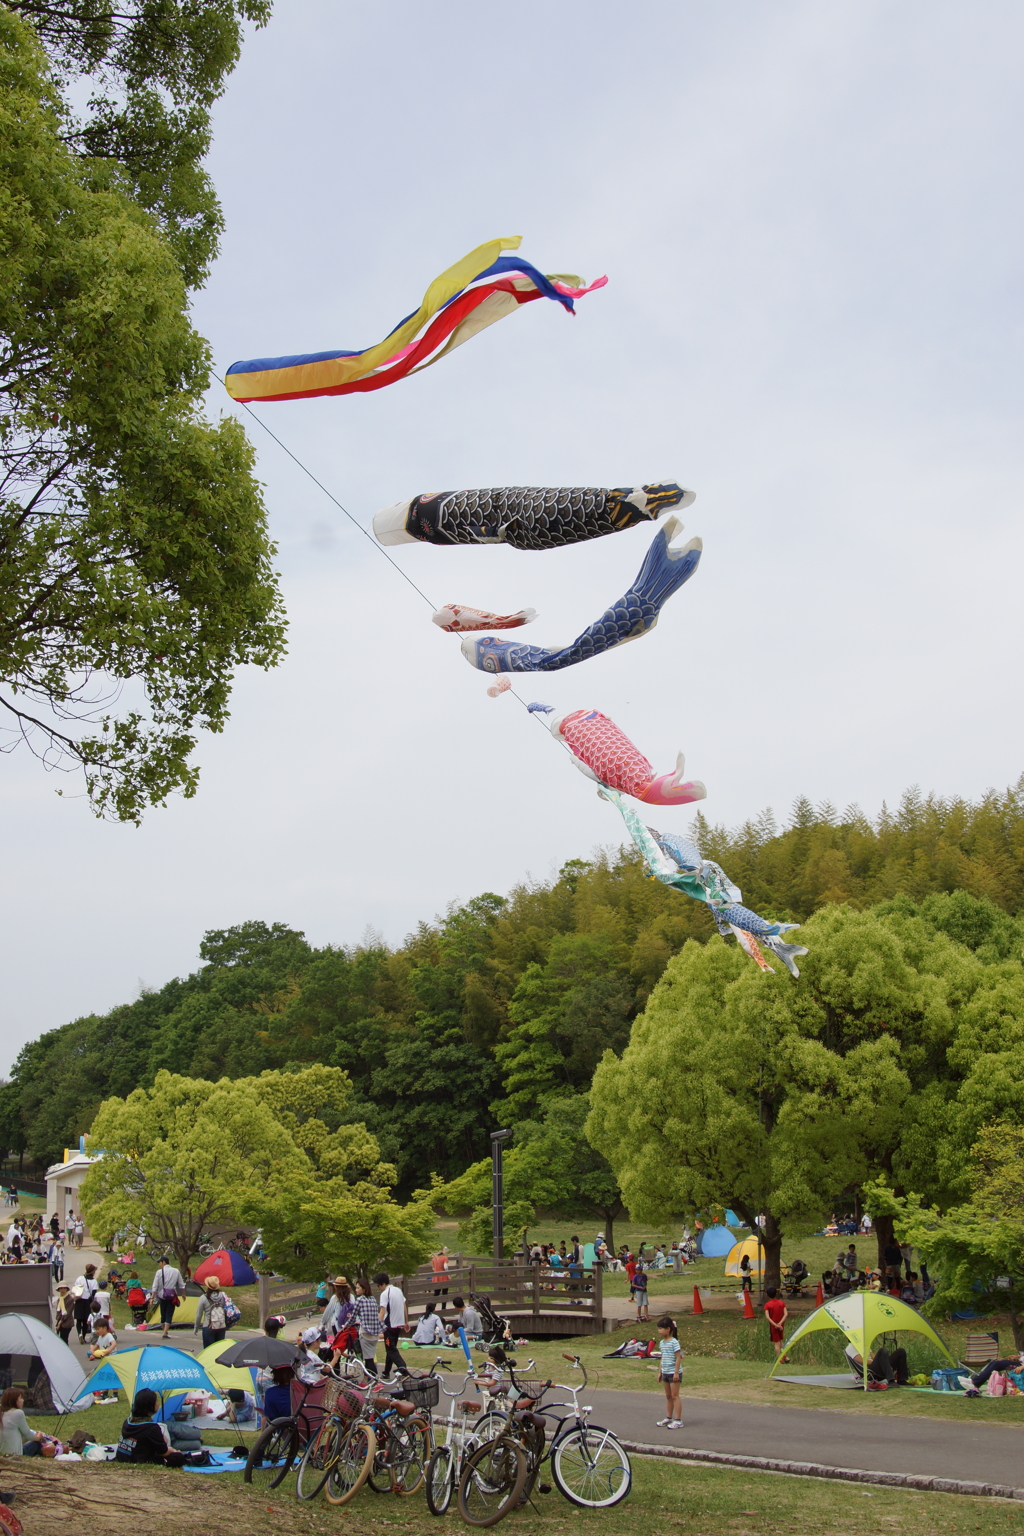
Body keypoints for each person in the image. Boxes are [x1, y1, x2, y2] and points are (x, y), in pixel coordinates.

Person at [115, 1388, 187, 1465]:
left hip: (124, 1457)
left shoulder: (128, 1421)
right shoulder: (151, 1428)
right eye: (156, 1401)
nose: (158, 1404)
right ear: (150, 1405)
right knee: (178, 1457)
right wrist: (173, 1451)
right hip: (139, 1460)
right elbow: (164, 1452)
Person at [374, 1271, 409, 1377]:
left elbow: (382, 1312)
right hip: (398, 1324)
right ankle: (386, 1372)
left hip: (389, 1325)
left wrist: (376, 1325)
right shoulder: (398, 1290)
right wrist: (406, 1321)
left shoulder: (385, 1294)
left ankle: (402, 1367)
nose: (378, 1288)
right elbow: (404, 1306)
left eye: (378, 1286)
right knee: (391, 1348)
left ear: (383, 1284)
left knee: (390, 1349)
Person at [655, 1316, 683, 1429]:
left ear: (668, 1329)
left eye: (661, 1328)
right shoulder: (662, 1343)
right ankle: (668, 1417)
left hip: (673, 1372)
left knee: (675, 1396)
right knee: (668, 1396)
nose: (659, 1331)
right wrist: (660, 1372)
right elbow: (663, 1357)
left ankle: (678, 1420)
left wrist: (676, 1373)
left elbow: (678, 1358)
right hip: (665, 1371)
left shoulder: (674, 1342)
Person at [0, 1388, 46, 1456]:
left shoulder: (1, 1412)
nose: (23, 1400)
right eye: (21, 1398)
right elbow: (28, 1435)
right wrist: (39, 1437)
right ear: (14, 1400)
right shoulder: (18, 1413)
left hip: (2, 1453)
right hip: (15, 1453)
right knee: (37, 1443)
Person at [150, 1254, 185, 1338]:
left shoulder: (159, 1272)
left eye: (160, 1262)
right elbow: (181, 1284)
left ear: (164, 1262)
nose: (159, 1264)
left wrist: (152, 1297)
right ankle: (165, 1332)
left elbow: (155, 1286)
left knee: (163, 1313)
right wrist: (183, 1293)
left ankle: (164, 1331)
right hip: (171, 1295)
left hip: (162, 1296)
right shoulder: (176, 1271)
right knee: (169, 1313)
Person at [844, 1342, 908, 1387]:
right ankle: (891, 1381)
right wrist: (885, 1364)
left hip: (878, 1367)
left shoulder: (862, 1345)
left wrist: (886, 1364)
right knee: (882, 1351)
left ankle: (901, 1379)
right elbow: (862, 1361)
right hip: (870, 1371)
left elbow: (873, 1357)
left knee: (901, 1351)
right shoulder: (850, 1348)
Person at [194, 1276, 230, 1350]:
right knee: (219, 1350)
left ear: (207, 1286)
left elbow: (199, 1314)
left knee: (208, 1351)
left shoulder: (203, 1297)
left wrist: (196, 1327)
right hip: (221, 1326)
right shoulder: (223, 1296)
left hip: (208, 1326)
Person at [354, 1278, 381, 1373]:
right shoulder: (373, 1299)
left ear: (364, 1289)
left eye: (358, 1288)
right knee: (370, 1358)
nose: (356, 1290)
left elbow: (353, 1316)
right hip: (375, 1334)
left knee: (369, 1360)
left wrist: (346, 1325)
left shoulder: (359, 1300)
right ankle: (369, 1380)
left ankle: (377, 1381)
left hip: (365, 1333)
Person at [73, 1263, 100, 1342]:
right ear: (92, 1272)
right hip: (88, 1302)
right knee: (85, 1321)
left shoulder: (80, 1278)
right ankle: (84, 1337)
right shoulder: (94, 1281)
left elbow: (75, 1288)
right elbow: (94, 1293)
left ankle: (79, 1334)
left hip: (79, 1301)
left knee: (78, 1320)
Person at [763, 1287, 788, 1355]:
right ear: (776, 1294)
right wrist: (780, 1323)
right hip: (781, 1326)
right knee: (780, 1341)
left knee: (776, 1343)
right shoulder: (781, 1303)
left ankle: (779, 1359)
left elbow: (768, 1317)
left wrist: (775, 1325)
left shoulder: (767, 1305)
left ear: (767, 1295)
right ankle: (785, 1356)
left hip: (773, 1326)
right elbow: (786, 1314)